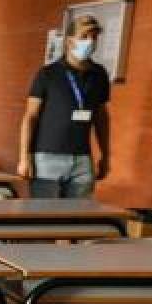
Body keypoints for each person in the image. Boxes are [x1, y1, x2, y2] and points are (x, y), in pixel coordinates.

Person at [17, 14, 111, 198]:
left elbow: (102, 118)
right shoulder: (48, 74)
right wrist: (24, 157)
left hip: (82, 160)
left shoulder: (99, 74)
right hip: (47, 158)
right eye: (84, 37)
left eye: (94, 37)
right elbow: (30, 117)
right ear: (69, 41)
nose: (90, 42)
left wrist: (106, 155)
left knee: (77, 219)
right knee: (44, 217)